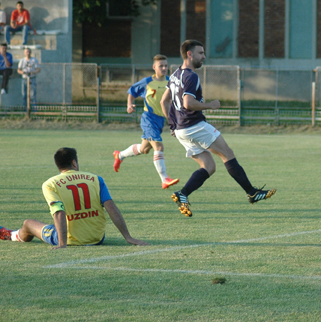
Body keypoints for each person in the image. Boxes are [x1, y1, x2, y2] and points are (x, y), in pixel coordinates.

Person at [160, 40, 276, 217]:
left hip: (182, 130)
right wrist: (210, 105)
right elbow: (188, 103)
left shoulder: (175, 74)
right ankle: (252, 192)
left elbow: (164, 101)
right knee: (227, 154)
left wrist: (172, 126)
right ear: (189, 54)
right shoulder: (191, 76)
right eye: (200, 53)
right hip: (194, 125)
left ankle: (182, 194)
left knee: (209, 166)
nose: (204, 56)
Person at [0, 147, 149, 249]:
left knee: (28, 224)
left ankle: (11, 235)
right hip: (97, 238)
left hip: (70, 239)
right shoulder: (96, 179)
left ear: (58, 165)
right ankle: (13, 234)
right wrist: (128, 237)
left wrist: (62, 243)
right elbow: (111, 208)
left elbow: (58, 212)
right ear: (74, 162)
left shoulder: (50, 184)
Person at [112, 54, 180, 190]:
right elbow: (132, 91)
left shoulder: (170, 82)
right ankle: (164, 179)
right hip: (149, 118)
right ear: (154, 67)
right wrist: (129, 105)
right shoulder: (147, 82)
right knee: (159, 147)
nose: (164, 68)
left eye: (166, 65)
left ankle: (119, 155)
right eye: (161, 66)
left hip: (160, 120)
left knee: (144, 149)